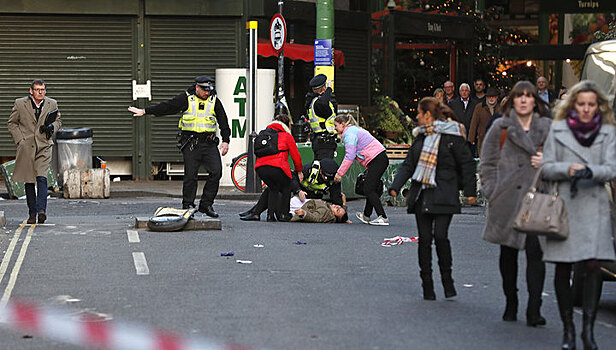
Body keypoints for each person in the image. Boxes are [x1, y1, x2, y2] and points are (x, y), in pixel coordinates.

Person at [541, 80, 616, 350]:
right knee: (564, 268)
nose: (586, 109)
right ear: (573, 105)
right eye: (581, 104)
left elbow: (612, 168)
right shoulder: (558, 130)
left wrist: (589, 172)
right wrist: (568, 169)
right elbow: (546, 168)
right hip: (566, 208)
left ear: (598, 107)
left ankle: (588, 330)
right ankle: (568, 330)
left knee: (593, 267)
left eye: (591, 105)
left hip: (595, 207)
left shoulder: (607, 133)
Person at [389, 97, 476, 300]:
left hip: (445, 194)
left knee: (441, 237)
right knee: (424, 240)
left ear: (428, 115)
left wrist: (470, 191)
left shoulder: (452, 136)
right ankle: (427, 285)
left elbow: (467, 163)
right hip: (422, 195)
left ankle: (447, 281)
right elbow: (408, 165)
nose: (417, 117)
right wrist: (395, 186)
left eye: (420, 113)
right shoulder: (419, 137)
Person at [480, 80, 551, 327]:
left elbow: (562, 161)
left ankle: (534, 308)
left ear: (535, 100)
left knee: (536, 253)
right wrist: (492, 191)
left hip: (537, 199)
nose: (523, 100)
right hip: (506, 200)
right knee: (507, 253)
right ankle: (511, 301)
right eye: (518, 96)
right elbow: (486, 164)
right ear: (512, 100)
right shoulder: (501, 127)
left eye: (528, 96)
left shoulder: (548, 128)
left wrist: (547, 162)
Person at [128, 75, 230, 217]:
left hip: (208, 143)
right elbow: (167, 106)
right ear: (197, 88)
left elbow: (223, 120)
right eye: (205, 90)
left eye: (209, 90)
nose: (207, 93)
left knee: (216, 172)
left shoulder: (214, 101)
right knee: (191, 176)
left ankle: (206, 205)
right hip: (191, 144)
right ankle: (188, 205)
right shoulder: (187, 98)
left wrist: (226, 140)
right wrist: (145, 111)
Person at [7, 79, 61, 224]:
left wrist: (52, 128)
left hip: (44, 145)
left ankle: (41, 210)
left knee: (42, 177)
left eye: (42, 89)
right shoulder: (20, 104)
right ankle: (32, 213)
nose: (40, 92)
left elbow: (58, 121)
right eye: (37, 90)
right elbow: (12, 123)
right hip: (27, 147)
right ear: (31, 91)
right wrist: (20, 140)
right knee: (29, 181)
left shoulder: (52, 103)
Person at [239, 158, 342, 221]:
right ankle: (255, 212)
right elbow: (293, 178)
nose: (326, 180)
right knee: (273, 188)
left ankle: (255, 212)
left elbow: (336, 196)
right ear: (320, 172)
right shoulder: (311, 169)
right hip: (300, 198)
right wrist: (298, 190)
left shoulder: (326, 213)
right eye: (325, 177)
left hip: (302, 206)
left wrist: (343, 216)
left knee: (272, 189)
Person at [333, 114, 389, 226]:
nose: (334, 128)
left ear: (343, 124)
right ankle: (366, 216)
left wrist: (340, 174)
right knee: (370, 187)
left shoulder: (349, 134)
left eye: (336, 125)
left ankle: (383, 217)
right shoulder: (353, 130)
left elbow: (350, 156)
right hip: (379, 159)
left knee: (368, 188)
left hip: (376, 160)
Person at [254, 113, 303, 222]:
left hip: (261, 169)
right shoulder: (286, 136)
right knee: (286, 186)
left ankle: (270, 216)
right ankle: (283, 215)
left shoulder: (265, 134)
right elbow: (296, 156)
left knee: (273, 188)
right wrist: (299, 171)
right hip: (278, 167)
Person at [305, 74, 338, 160]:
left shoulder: (312, 102)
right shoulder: (318, 103)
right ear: (323, 88)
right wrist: (329, 90)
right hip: (325, 143)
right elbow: (323, 103)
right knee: (325, 169)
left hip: (319, 141)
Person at [468, 87, 500, 155]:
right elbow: (474, 123)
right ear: (486, 97)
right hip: (483, 138)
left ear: (497, 97)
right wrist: (471, 138)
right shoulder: (479, 107)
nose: (491, 98)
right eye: (489, 97)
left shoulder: (501, 108)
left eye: (493, 97)